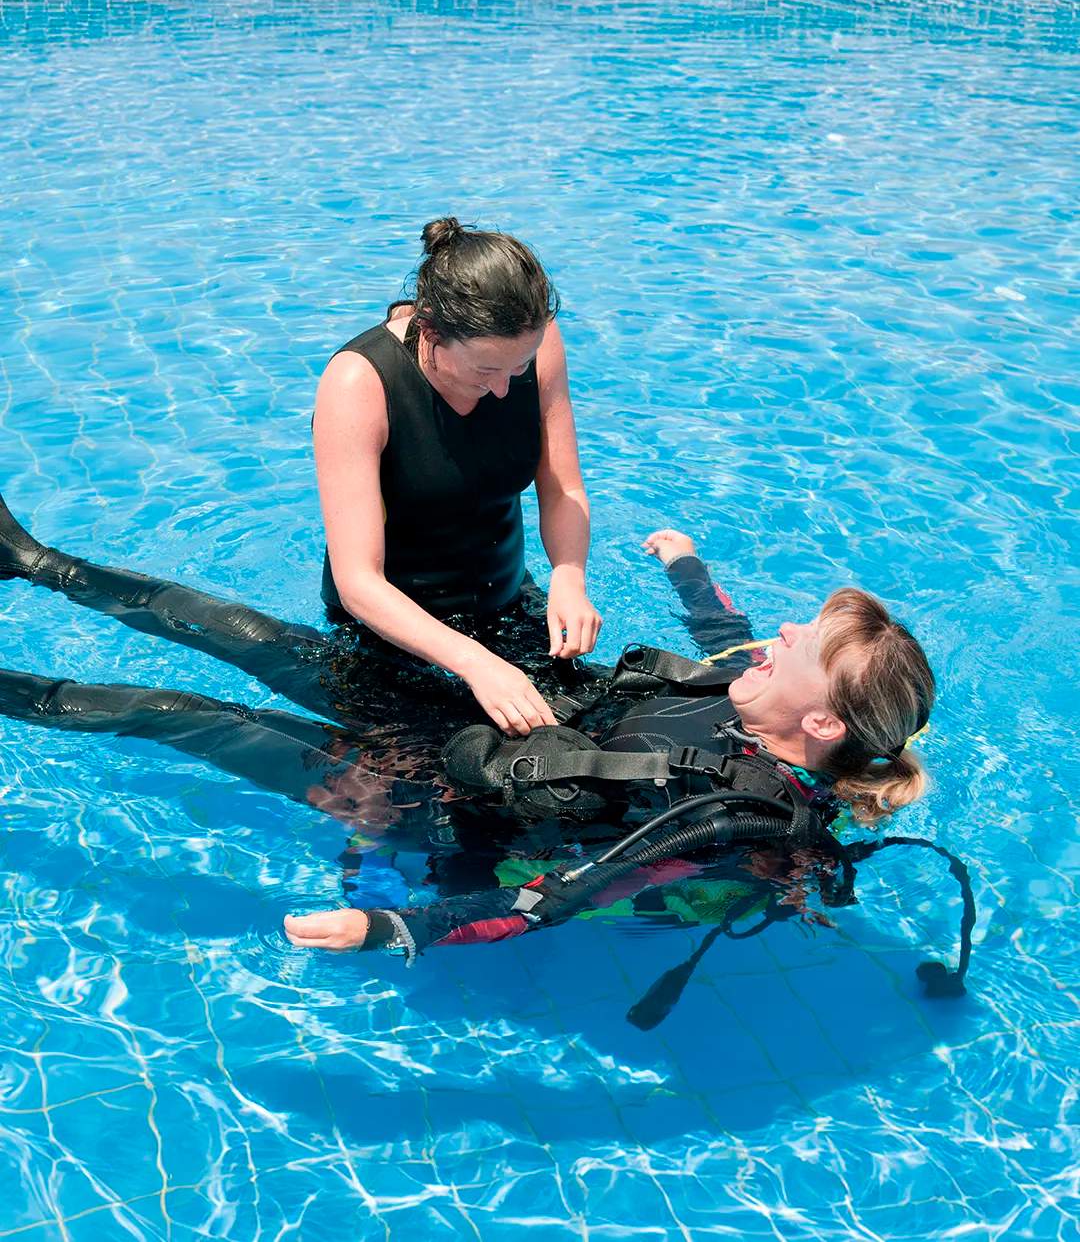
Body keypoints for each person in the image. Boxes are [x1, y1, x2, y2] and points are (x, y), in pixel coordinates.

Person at [0, 495, 940, 977]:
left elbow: (558, 898)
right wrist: (686, 561)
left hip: (433, 803)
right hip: (476, 717)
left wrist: (394, 928)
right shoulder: (754, 688)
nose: (778, 635)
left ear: (820, 725)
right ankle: (32, 560)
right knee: (243, 632)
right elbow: (719, 630)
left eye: (801, 644)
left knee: (187, 716)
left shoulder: (730, 820)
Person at [314, 216, 601, 737]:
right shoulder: (358, 384)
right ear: (430, 333)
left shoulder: (531, 344)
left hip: (506, 603)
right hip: (388, 635)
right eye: (483, 372)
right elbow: (359, 581)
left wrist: (568, 576)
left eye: (516, 370)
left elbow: (563, 489)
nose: (502, 390)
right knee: (403, 801)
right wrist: (475, 664)